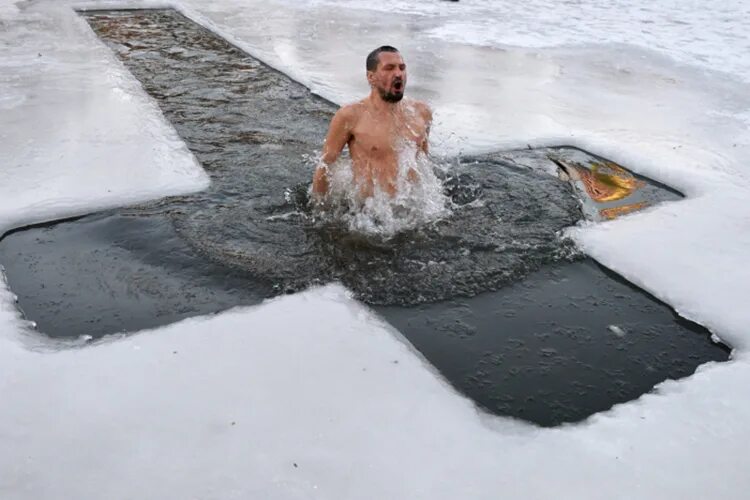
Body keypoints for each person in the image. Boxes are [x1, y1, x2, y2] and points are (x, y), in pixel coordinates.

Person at [311, 46, 433, 200]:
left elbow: (423, 163)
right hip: (367, 210)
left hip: (409, 209)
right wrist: (320, 209)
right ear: (371, 77)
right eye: (389, 68)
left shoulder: (422, 112)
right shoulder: (350, 116)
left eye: (402, 68)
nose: (398, 74)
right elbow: (325, 166)